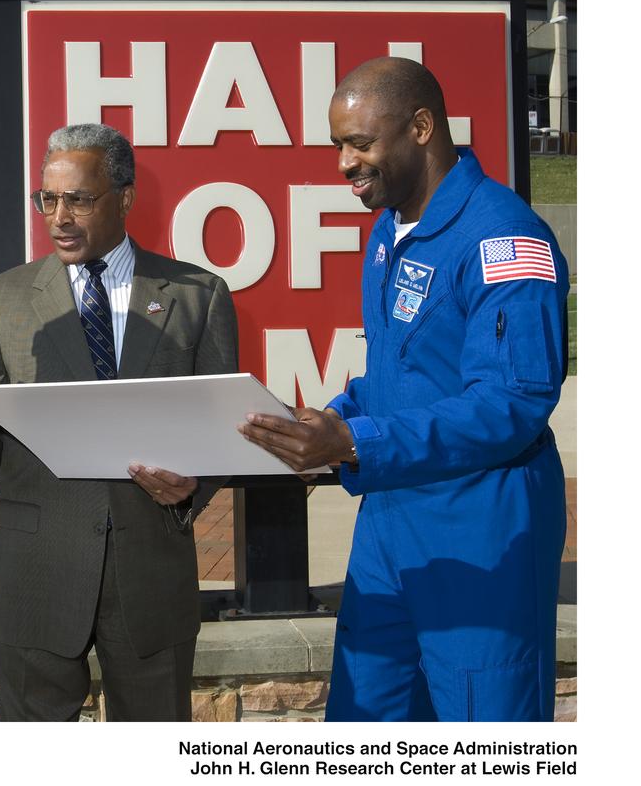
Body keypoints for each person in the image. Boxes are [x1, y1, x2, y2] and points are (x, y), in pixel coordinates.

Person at [238, 57, 569, 722]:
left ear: (421, 127)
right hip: (390, 529)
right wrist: (329, 421)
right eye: (338, 145)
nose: (343, 164)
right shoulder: (390, 232)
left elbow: (512, 404)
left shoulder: (504, 238)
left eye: (360, 143)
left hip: (479, 531)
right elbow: (400, 375)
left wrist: (355, 440)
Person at [0, 123, 238, 721]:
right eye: (48, 198)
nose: (58, 217)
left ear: (124, 197)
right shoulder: (2, 298)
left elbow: (220, 421)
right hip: (37, 571)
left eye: (78, 199)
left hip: (152, 573)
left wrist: (193, 486)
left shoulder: (199, 295)